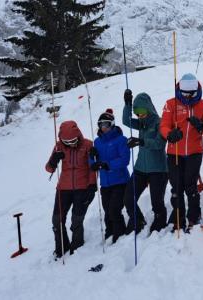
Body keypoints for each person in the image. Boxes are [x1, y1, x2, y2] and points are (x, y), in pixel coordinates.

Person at [160, 73, 203, 232]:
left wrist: (202, 127)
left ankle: (194, 216)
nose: (188, 97)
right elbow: (163, 126)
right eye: (185, 93)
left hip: (195, 152)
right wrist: (170, 134)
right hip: (174, 152)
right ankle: (178, 216)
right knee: (176, 186)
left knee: (190, 185)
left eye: (191, 94)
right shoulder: (170, 104)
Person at [46, 120, 97, 258]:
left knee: (77, 219)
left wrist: (92, 185)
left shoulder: (88, 145)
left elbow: (93, 168)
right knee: (57, 220)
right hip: (63, 189)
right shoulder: (59, 147)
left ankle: (77, 246)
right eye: (67, 142)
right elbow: (49, 168)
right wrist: (54, 160)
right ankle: (61, 247)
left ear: (78, 135)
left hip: (82, 188)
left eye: (74, 140)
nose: (71, 144)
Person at [122, 90, 168, 234]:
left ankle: (160, 221)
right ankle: (138, 220)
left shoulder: (160, 123)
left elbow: (159, 144)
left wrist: (141, 141)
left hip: (158, 169)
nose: (139, 116)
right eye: (137, 113)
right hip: (140, 168)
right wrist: (127, 104)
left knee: (157, 202)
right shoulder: (141, 123)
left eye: (142, 112)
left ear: (148, 107)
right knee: (128, 198)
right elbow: (126, 120)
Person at [89, 109, 130, 243]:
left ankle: (120, 232)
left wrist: (108, 165)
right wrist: (92, 159)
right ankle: (110, 231)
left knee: (114, 209)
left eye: (106, 124)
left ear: (111, 124)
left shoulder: (121, 140)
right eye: (101, 125)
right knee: (107, 210)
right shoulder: (97, 142)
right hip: (105, 183)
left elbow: (125, 160)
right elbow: (93, 161)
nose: (103, 127)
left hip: (120, 181)